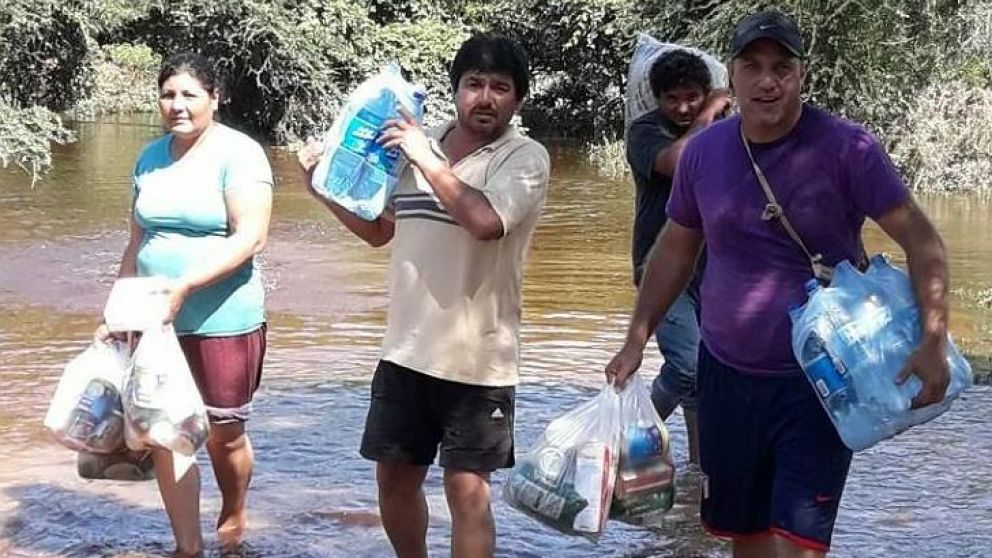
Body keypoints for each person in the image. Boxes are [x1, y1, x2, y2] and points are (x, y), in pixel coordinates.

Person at [605, 10, 951, 558]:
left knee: (797, 545)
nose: (768, 81)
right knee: (745, 539)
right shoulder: (703, 153)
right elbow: (675, 246)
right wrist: (635, 338)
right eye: (753, 66)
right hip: (727, 377)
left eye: (781, 67)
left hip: (822, 383)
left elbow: (923, 241)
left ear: (801, 75)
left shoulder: (848, 149)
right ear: (733, 77)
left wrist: (933, 342)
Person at [298, 34, 549, 558]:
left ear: (518, 100)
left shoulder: (524, 157)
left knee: (467, 491)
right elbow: (378, 231)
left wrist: (427, 158)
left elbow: (483, 221)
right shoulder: (417, 141)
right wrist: (318, 185)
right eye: (473, 84)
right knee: (393, 480)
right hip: (405, 350)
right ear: (455, 90)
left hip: (479, 358)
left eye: (500, 87)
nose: (484, 97)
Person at [96, 52, 273, 557]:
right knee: (163, 427)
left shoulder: (240, 155)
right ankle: (188, 546)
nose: (177, 105)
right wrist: (115, 313)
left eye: (190, 94)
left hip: (223, 318)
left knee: (224, 434)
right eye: (168, 94)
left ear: (215, 99)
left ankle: (233, 513)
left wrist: (185, 286)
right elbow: (136, 242)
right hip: (153, 319)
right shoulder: (149, 158)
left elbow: (251, 238)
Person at [625, 49, 731, 464]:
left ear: (703, 92)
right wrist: (711, 112)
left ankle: (699, 472)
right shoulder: (644, 132)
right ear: (658, 99)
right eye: (673, 99)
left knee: (709, 376)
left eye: (693, 97)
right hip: (660, 267)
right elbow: (681, 161)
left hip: (716, 269)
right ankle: (632, 443)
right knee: (688, 367)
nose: (683, 108)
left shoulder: (727, 132)